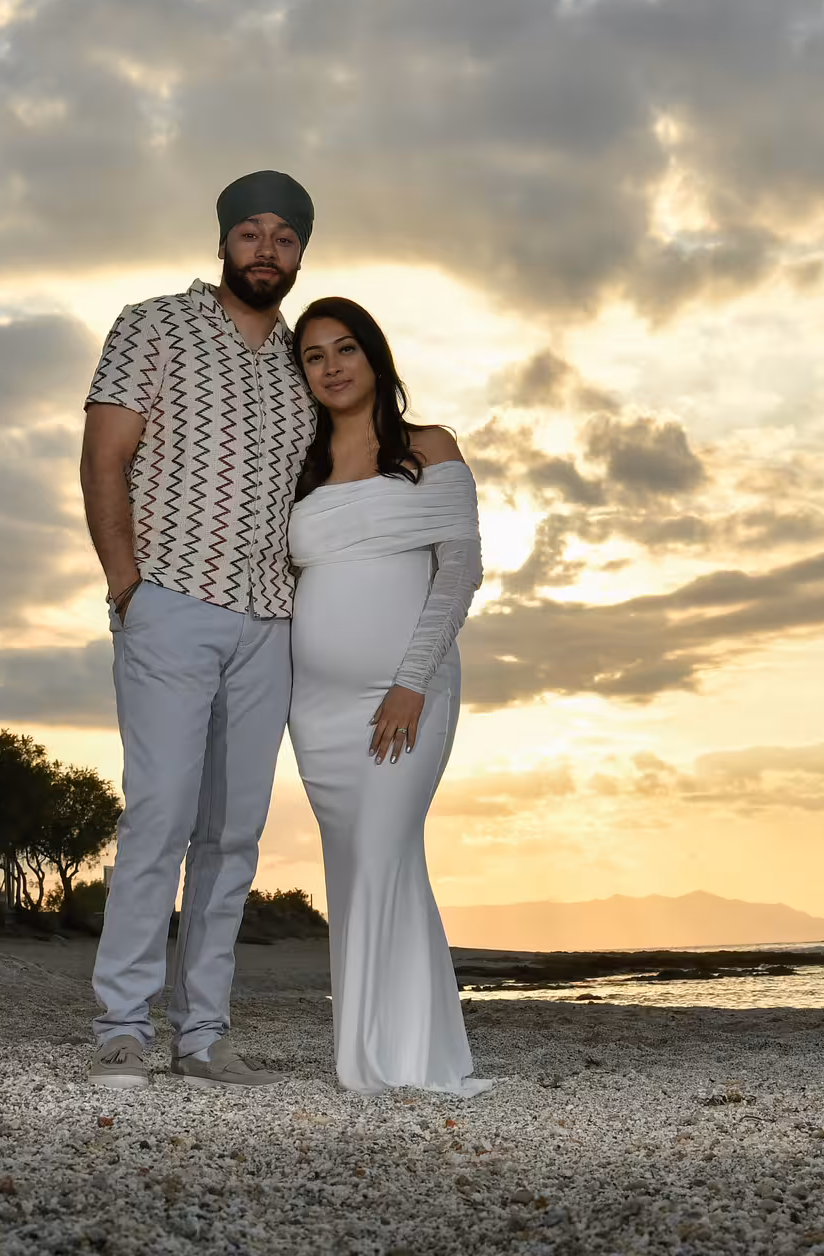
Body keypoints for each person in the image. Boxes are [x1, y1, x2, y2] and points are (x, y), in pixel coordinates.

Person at [79, 171, 317, 1089]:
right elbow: (105, 456)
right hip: (172, 598)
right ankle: (122, 1025)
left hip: (270, 619)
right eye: (252, 233)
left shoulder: (301, 359)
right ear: (224, 240)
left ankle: (203, 1035)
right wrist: (127, 586)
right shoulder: (154, 323)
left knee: (234, 834)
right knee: (162, 815)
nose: (267, 249)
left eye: (285, 238)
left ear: (300, 253)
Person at [286, 296, 492, 1096]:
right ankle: (408, 1051)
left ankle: (378, 1063)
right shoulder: (299, 467)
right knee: (366, 866)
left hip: (408, 691)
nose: (331, 367)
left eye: (345, 349)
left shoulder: (427, 448)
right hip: (319, 710)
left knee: (379, 853)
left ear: (375, 358)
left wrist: (411, 681)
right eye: (313, 356)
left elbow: (460, 570)